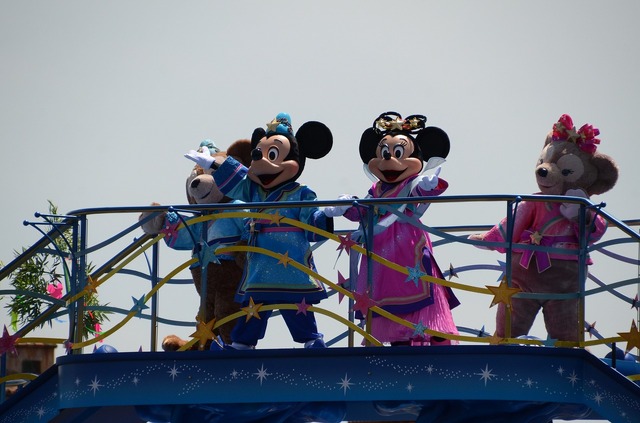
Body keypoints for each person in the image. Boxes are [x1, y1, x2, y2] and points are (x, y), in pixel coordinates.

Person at [185, 113, 334, 349]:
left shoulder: (300, 193)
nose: (262, 162)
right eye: (258, 155)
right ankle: (242, 344)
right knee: (252, 310)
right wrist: (213, 164)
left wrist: (327, 215)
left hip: (291, 268)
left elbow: (312, 221)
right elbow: (238, 179)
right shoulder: (254, 192)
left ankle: (312, 340)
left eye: (272, 154)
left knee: (298, 309)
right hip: (260, 268)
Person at [325, 111, 459, 346]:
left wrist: (430, 185)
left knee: (419, 295)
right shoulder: (376, 191)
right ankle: (399, 343)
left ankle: (437, 341)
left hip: (409, 249)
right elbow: (363, 214)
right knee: (388, 299)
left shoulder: (411, 184)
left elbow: (421, 193)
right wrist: (346, 206)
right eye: (383, 152)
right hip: (381, 256)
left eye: (398, 153)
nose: (388, 159)